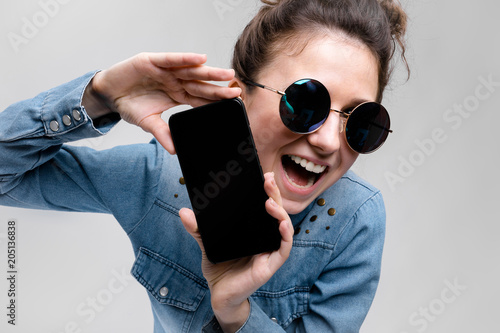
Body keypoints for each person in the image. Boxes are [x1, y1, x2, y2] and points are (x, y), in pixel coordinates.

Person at [0, 0, 408, 331]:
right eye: (305, 104)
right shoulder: (157, 177)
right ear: (239, 94)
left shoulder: (355, 220)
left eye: (358, 121)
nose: (326, 141)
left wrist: (235, 313)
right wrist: (98, 96)